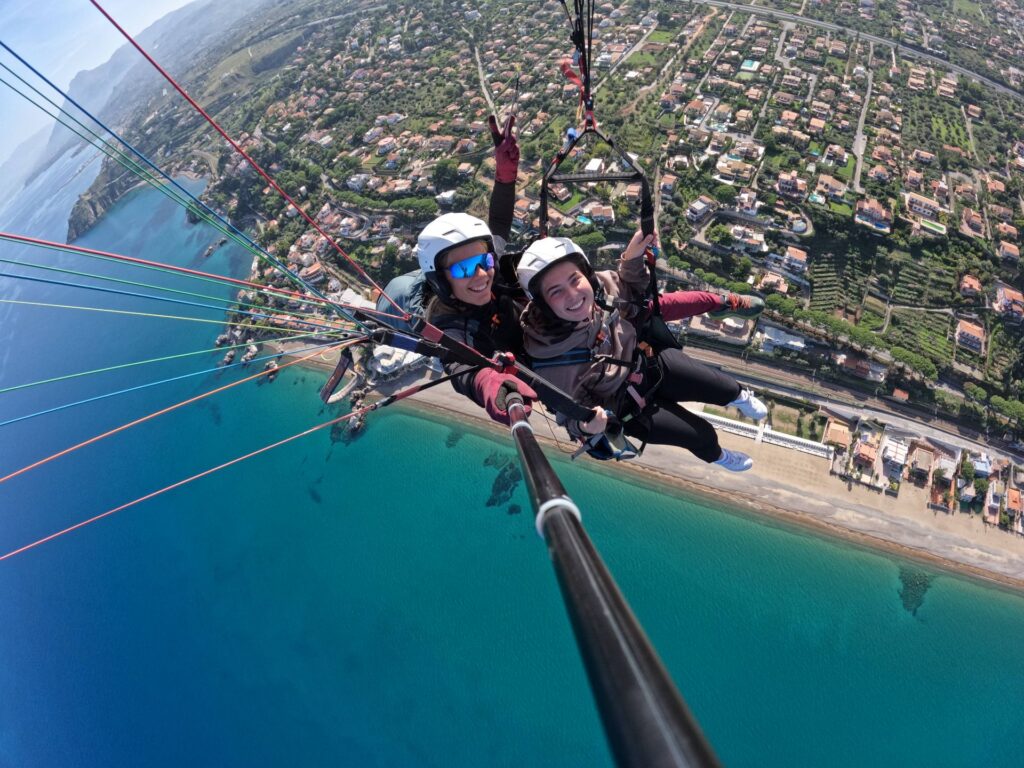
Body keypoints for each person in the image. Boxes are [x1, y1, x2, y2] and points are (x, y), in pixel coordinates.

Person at [516, 232, 768, 471]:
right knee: (698, 435)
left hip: (646, 365)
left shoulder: (601, 290)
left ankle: (740, 397)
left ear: (587, 275)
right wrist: (585, 423)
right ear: (544, 304)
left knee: (723, 386)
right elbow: (565, 411)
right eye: (556, 291)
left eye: (575, 280)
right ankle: (719, 456)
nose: (573, 295)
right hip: (627, 408)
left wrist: (633, 256)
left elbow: (630, 287)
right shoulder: (550, 361)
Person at [412, 114, 537, 425]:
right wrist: (490, 385)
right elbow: (460, 369)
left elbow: (499, 225)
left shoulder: (490, 273)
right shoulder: (449, 328)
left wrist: (506, 176)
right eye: (466, 268)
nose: (482, 275)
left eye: (485, 262)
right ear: (440, 281)